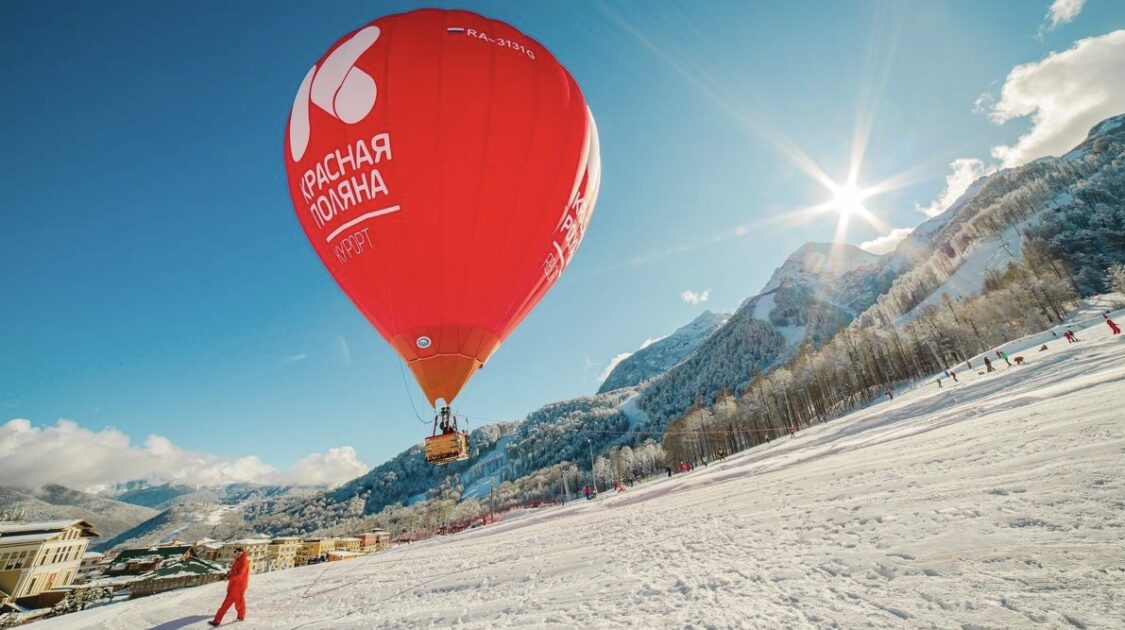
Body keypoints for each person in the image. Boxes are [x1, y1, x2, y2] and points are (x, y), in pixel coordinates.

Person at [210, 547, 249, 626]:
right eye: (235, 553)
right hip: (234, 586)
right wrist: (228, 575)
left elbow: (240, 575)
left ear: (240, 553)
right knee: (236, 603)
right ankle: (218, 620)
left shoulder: (244, 561)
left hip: (239, 586)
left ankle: (218, 620)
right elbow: (234, 571)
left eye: (237, 553)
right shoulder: (238, 560)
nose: (235, 555)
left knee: (237, 603)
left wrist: (229, 578)